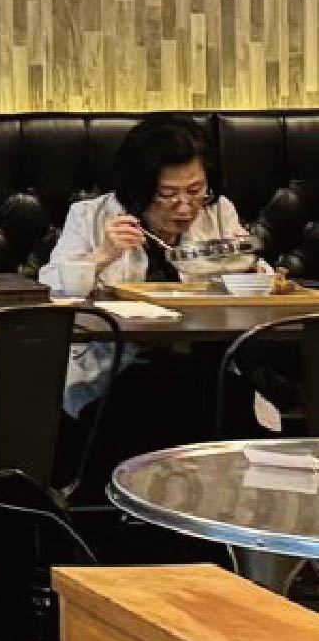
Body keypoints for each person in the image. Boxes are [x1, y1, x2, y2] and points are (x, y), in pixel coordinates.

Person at [41, 116, 268, 469]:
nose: (184, 206)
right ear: (139, 188)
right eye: (167, 194)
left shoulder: (218, 212)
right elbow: (52, 290)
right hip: (117, 371)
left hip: (206, 366)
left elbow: (250, 275)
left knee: (223, 395)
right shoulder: (90, 216)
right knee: (152, 394)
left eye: (195, 190)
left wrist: (248, 265)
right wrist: (102, 255)